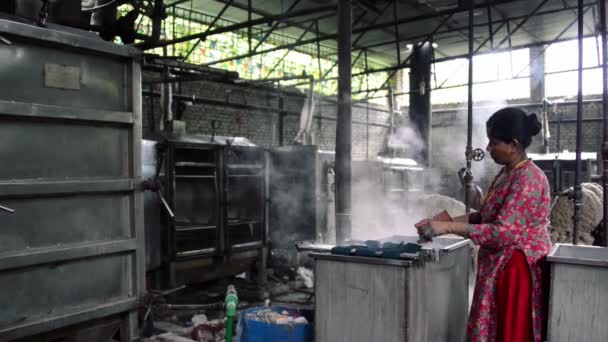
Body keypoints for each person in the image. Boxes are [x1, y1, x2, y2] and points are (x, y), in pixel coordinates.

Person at [415, 107, 552, 342]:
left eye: (494, 142)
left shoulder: (528, 179)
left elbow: (502, 233)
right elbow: (486, 216)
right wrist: (443, 222)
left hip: (514, 269)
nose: (488, 148)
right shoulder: (507, 173)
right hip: (499, 265)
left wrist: (447, 228)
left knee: (508, 333)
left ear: (514, 144)